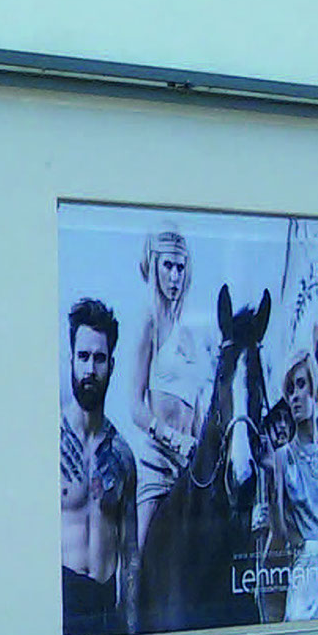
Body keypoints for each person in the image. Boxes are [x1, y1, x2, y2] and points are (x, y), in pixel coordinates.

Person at [127, 224, 208, 551]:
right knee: (144, 558)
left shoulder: (189, 334)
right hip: (157, 466)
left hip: (190, 467)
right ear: (155, 266)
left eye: (180, 267)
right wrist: (174, 438)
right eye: (168, 266)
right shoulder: (148, 323)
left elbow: (198, 406)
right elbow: (135, 407)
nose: (174, 276)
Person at [62, 298, 138, 635]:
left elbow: (131, 554)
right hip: (62, 611)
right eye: (83, 357)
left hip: (106, 618)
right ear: (71, 360)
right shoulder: (48, 445)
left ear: (112, 364)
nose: (90, 369)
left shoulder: (122, 455)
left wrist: (131, 631)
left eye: (99, 358)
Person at [266, 348, 318, 621]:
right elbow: (279, 533)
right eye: (289, 390)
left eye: (301, 385)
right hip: (306, 581)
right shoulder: (282, 458)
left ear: (314, 389)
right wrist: (271, 481)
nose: (294, 396)